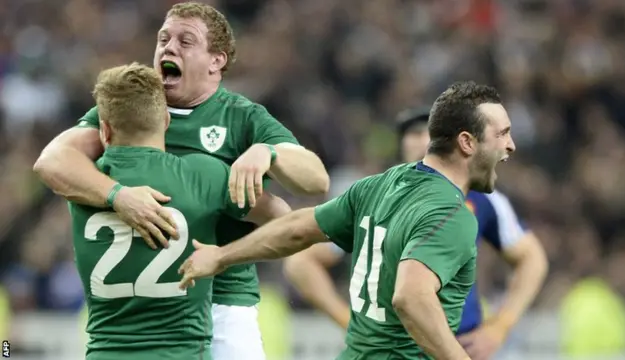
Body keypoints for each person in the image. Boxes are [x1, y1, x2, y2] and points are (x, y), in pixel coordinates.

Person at [33, 3, 329, 359]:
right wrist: (118, 196)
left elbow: (315, 181)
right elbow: (52, 162)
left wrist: (270, 153)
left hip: (222, 301)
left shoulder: (242, 117)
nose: (168, 47)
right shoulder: (133, 106)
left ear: (215, 61)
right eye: (163, 38)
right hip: (141, 310)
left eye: (185, 40)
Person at [178, 81, 516, 359]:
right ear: (467, 143)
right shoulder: (454, 214)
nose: (511, 145)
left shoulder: (380, 185)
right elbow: (411, 297)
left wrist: (221, 256)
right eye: (501, 134)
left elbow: (298, 229)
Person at [283, 107, 548, 359]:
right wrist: (347, 319)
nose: (424, 140)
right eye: (415, 133)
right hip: (394, 348)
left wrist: (500, 326)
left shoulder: (482, 199)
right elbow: (301, 263)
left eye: (431, 133)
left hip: (457, 342)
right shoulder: (376, 197)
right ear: (401, 144)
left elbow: (532, 258)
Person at [69, 63, 281, 360]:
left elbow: (55, 164)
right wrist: (226, 255)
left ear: (104, 130)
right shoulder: (204, 176)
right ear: (166, 120)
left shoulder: (80, 180)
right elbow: (282, 219)